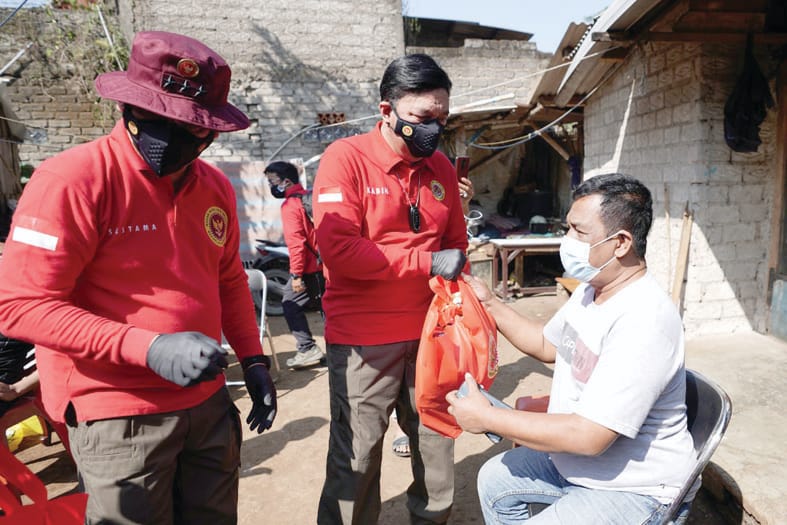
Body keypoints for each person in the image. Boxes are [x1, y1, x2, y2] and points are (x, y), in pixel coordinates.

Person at [0, 31, 277, 524]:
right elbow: (21, 306)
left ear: (210, 130)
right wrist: (146, 348)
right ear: (128, 106)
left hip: (207, 401)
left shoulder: (212, 187)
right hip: (117, 413)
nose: (169, 136)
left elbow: (228, 279)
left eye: (188, 127)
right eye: (155, 118)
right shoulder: (72, 181)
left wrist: (253, 361)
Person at [447, 173, 697, 524]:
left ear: (621, 242)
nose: (567, 241)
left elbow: (589, 437)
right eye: (568, 229)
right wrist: (489, 303)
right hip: (578, 463)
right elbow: (549, 344)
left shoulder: (644, 320)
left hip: (634, 488)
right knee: (495, 479)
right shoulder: (592, 287)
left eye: (579, 232)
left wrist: (488, 418)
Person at [313, 53, 468, 525]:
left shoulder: (439, 167)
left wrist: (456, 266)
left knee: (436, 444)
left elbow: (456, 241)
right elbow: (338, 250)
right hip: (364, 339)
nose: (433, 130)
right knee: (357, 457)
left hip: (430, 334)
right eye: (423, 118)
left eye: (441, 119)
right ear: (387, 111)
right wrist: (425, 261)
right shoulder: (346, 159)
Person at [264, 160, 326, 369]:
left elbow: (296, 242)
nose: (271, 186)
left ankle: (307, 348)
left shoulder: (290, 205)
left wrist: (296, 275)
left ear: (286, 181)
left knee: (290, 305)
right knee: (326, 308)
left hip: (308, 269)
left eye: (272, 181)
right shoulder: (307, 197)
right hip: (322, 266)